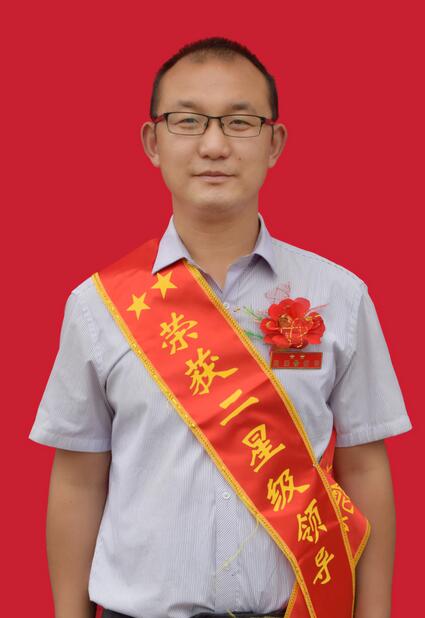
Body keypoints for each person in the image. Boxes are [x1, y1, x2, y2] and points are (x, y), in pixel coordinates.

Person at [28, 36, 412, 618]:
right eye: (187, 121)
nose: (213, 145)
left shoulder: (338, 296)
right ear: (153, 141)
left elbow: (364, 465)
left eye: (240, 122)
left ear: (274, 142)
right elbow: (79, 478)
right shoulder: (97, 306)